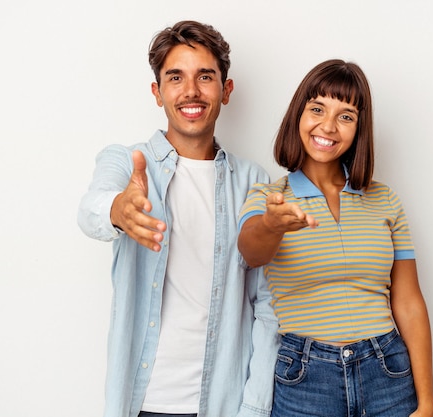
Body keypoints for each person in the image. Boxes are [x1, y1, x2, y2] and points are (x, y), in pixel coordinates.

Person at [78, 20, 279, 417]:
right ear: (157, 92)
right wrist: (119, 210)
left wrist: (254, 407)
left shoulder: (254, 181)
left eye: (205, 76)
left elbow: (268, 306)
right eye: (176, 78)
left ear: (226, 90)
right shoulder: (127, 160)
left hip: (224, 403)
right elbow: (91, 209)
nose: (191, 91)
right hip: (142, 402)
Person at [238, 59, 433, 417]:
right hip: (305, 379)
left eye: (345, 116)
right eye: (317, 109)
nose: (327, 126)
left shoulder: (385, 199)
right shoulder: (269, 197)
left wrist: (427, 401)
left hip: (387, 371)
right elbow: (252, 252)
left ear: (359, 128)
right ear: (298, 114)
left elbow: (408, 302)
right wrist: (272, 224)